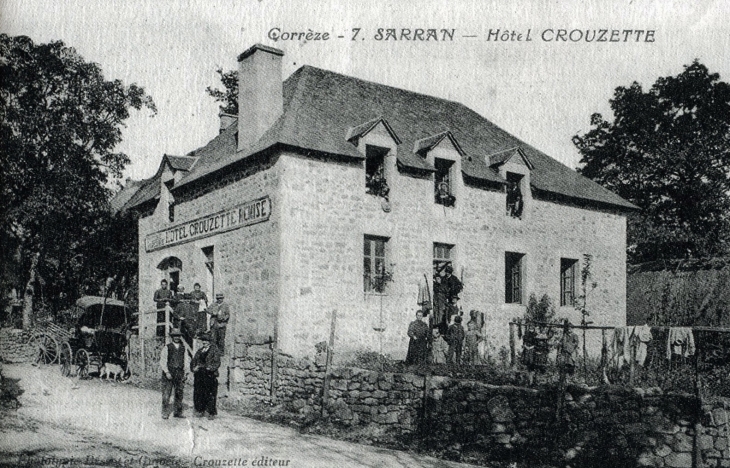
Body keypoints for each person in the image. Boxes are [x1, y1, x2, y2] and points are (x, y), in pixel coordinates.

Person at [159, 328, 190, 419]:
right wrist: (167, 372)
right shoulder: (167, 347)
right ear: (172, 337)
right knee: (166, 393)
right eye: (175, 336)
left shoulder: (183, 348)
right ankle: (165, 412)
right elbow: (162, 361)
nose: (177, 337)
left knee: (179, 393)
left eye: (178, 336)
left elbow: (186, 361)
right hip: (169, 372)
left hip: (180, 372)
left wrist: (186, 372)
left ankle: (177, 412)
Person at [191, 332, 221, 419]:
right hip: (199, 374)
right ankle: (200, 410)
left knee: (210, 393)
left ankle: (210, 412)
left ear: (210, 342)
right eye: (203, 341)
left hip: (209, 375)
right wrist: (194, 368)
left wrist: (210, 368)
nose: (204, 342)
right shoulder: (199, 351)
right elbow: (193, 361)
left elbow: (217, 362)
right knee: (199, 392)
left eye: (206, 341)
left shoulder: (214, 351)